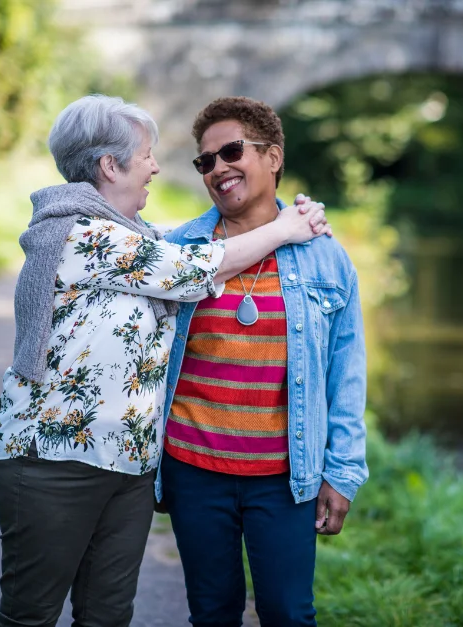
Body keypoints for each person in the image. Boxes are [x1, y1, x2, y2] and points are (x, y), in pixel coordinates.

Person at [0, 94, 329, 627]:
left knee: (106, 616)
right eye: (145, 154)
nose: (154, 166)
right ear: (109, 165)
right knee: (29, 616)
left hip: (127, 465)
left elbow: (176, 250)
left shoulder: (135, 239)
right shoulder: (80, 234)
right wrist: (286, 228)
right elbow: (194, 266)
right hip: (53, 461)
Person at [157, 96, 369, 627]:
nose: (218, 169)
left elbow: (347, 373)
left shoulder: (326, 256)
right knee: (212, 613)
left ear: (273, 158)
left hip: (283, 476)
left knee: (289, 614)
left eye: (232, 151)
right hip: (193, 469)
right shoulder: (180, 248)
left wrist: (342, 472)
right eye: (205, 161)